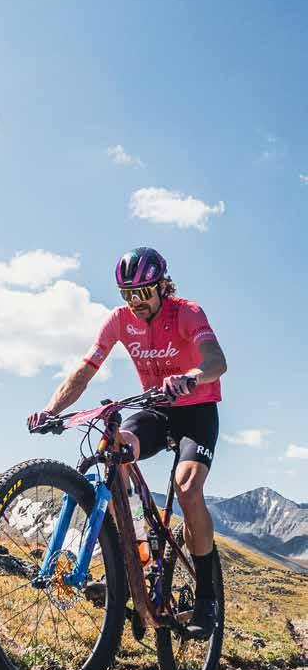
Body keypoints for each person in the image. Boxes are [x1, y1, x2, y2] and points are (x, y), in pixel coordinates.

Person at [27, 246, 228, 640]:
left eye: (143, 293)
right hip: (155, 409)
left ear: (162, 286)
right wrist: (51, 410)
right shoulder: (119, 321)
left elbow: (216, 361)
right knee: (113, 449)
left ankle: (207, 597)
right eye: (127, 294)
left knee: (187, 488)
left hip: (196, 410)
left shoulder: (187, 312)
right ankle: (134, 556)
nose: (136, 302)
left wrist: (191, 375)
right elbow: (85, 370)